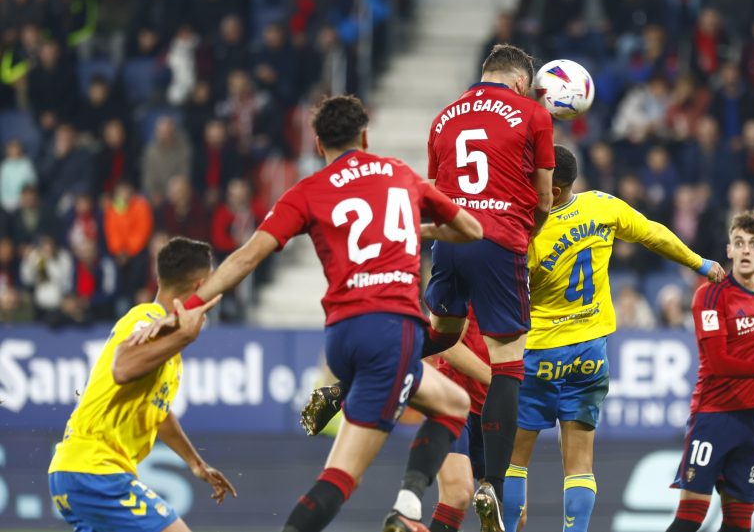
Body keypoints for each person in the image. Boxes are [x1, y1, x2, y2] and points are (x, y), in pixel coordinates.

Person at [136, 95, 483, 532]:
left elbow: (246, 258)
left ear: (318, 144)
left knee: (452, 402)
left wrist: (186, 305)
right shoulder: (400, 174)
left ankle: (407, 506)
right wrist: (419, 227)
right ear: (365, 136)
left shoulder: (307, 191)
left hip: (342, 337)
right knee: (340, 479)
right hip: (392, 328)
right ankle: (407, 511)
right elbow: (471, 229)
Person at [502, 145, 726, 532]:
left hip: (539, 352)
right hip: (590, 352)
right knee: (579, 462)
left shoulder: (528, 230)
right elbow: (653, 234)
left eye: (534, 177)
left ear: (553, 190)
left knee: (515, 459)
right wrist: (700, 263)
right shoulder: (602, 207)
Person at [423, 43, 555, 532]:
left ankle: (344, 383)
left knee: (439, 336)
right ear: (522, 82)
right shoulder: (532, 114)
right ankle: (493, 490)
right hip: (498, 239)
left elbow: (432, 193)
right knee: (510, 366)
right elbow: (543, 198)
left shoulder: (443, 118)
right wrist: (529, 231)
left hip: (450, 241)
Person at [48, 237, 236, 532]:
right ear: (200, 287)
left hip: (77, 472)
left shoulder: (165, 348)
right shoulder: (146, 318)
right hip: (95, 471)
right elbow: (122, 368)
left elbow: (157, 413)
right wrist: (184, 336)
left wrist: (195, 462)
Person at [664, 210, 754, 532]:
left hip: (753, 422)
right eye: (739, 243)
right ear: (728, 249)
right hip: (713, 417)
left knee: (739, 523)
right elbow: (719, 363)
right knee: (689, 518)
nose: (746, 250)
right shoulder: (711, 294)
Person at [429, 311, 492, 532]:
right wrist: (499, 381)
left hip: (496, 409)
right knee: (457, 494)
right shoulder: (467, 278)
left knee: (511, 513)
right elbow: (448, 345)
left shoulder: (523, 283)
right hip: (456, 400)